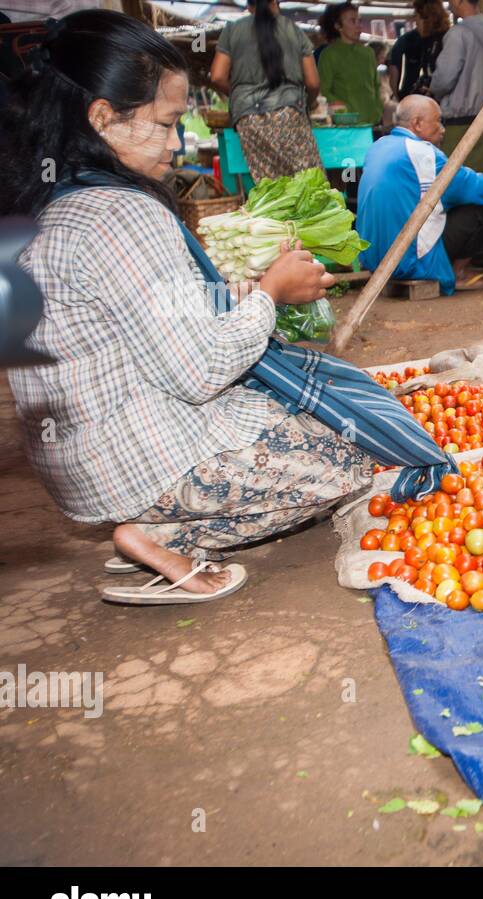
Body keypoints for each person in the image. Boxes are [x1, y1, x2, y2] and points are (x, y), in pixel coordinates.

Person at [2, 10, 365, 603]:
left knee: (311, 417)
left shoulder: (46, 203)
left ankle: (159, 526)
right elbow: (199, 373)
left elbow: (145, 326)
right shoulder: (121, 212)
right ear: (102, 117)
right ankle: (157, 533)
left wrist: (237, 298)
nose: (177, 143)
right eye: (167, 123)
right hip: (140, 461)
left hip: (80, 466)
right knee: (350, 460)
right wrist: (271, 293)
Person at [357, 95, 483, 294]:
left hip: (373, 260)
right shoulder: (422, 153)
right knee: (481, 205)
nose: (443, 129)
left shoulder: (377, 147)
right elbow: (470, 185)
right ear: (417, 124)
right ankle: (458, 274)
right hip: (408, 261)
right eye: (438, 121)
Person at [210, 0, 323, 183]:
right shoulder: (292, 29)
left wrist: (241, 95)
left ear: (248, 6)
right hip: (290, 114)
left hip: (248, 119)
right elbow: (313, 82)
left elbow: (217, 76)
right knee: (311, 183)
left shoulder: (233, 29)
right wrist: (309, 104)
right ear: (275, 3)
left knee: (271, 188)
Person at [427, 0, 483, 178]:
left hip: (460, 121)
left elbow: (444, 79)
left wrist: (433, 89)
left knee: (455, 180)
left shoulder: (458, 34)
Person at [317, 2, 382, 126]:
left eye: (359, 21)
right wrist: (341, 110)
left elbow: (376, 85)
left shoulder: (368, 53)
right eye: (353, 21)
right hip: (345, 124)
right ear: (338, 26)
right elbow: (324, 90)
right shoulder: (328, 55)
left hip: (372, 122)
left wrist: (378, 111)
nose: (359, 26)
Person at [388, 0, 449, 100]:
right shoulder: (445, 38)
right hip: (426, 100)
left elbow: (394, 70)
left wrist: (397, 97)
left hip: (423, 100)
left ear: (427, 18)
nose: (415, 22)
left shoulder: (442, 41)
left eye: (417, 16)